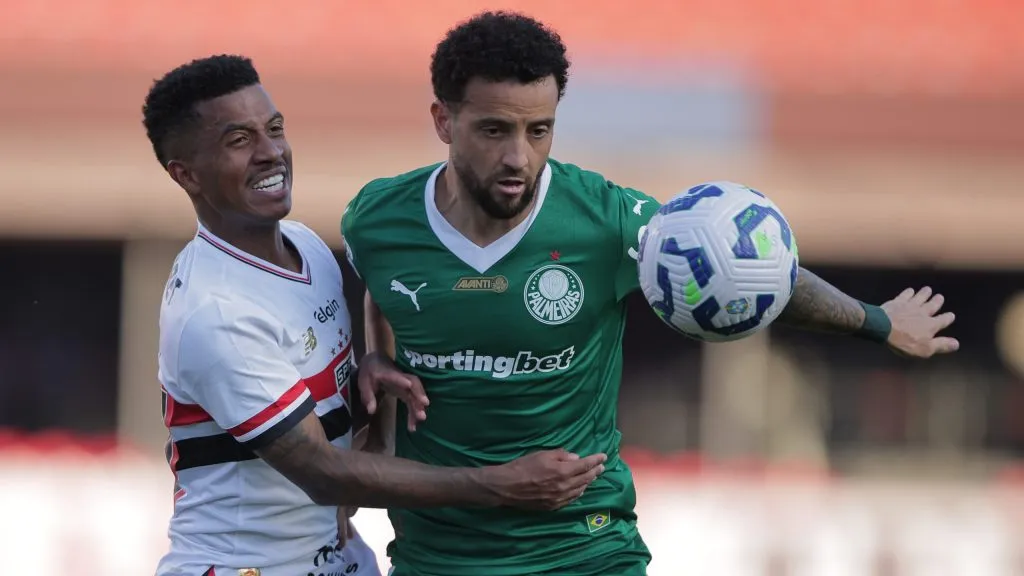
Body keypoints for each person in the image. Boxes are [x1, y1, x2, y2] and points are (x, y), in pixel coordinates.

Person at [341, 11, 960, 576]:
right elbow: (386, 285)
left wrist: (876, 321)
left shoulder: (606, 220)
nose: (518, 157)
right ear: (443, 121)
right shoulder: (378, 219)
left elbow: (753, 270)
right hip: (439, 555)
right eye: (495, 129)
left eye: (539, 130)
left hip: (586, 546)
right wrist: (377, 354)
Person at [144, 54, 609, 576]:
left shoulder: (307, 249)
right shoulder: (215, 312)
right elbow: (322, 473)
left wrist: (372, 366)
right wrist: (502, 484)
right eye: (239, 140)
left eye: (274, 129)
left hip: (338, 558)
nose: (271, 152)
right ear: (185, 174)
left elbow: (322, 412)